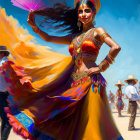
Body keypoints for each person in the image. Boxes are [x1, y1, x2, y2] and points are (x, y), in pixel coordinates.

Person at [2, 0, 124, 139]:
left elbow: (116, 47)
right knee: (66, 122)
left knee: (91, 125)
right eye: (80, 11)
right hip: (73, 83)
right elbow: (49, 38)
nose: (83, 14)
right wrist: (35, 26)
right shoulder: (74, 37)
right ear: (77, 14)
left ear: (94, 13)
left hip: (91, 83)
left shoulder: (98, 31)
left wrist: (101, 67)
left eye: (87, 11)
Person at [0, 46, 12, 140]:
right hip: (3, 95)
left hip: (4, 95)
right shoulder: (4, 62)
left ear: (2, 53)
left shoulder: (5, 62)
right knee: (6, 121)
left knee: (6, 120)